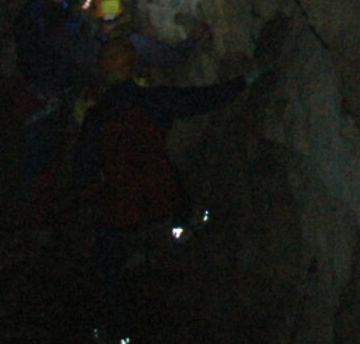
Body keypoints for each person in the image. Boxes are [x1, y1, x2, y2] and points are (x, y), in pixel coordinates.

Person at [75, 36, 250, 344]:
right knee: (168, 168)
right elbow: (204, 99)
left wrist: (86, 204)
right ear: (133, 67)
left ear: (104, 71)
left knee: (105, 262)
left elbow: (84, 174)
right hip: (163, 200)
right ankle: (188, 229)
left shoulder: (97, 118)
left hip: (121, 211)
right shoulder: (156, 101)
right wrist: (246, 80)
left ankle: (116, 331)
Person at [11, 0, 86, 211]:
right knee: (36, 158)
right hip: (39, 96)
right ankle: (25, 214)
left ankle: (45, 210)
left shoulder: (59, 6)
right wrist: (74, 17)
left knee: (54, 156)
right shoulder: (35, 15)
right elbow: (53, 43)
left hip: (58, 93)